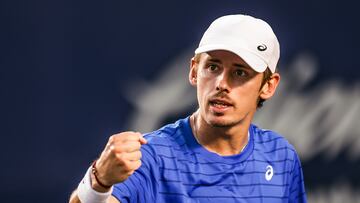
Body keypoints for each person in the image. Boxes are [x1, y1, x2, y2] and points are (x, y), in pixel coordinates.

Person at [69, 14, 307, 203]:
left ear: (268, 86)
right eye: (213, 67)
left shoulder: (281, 156)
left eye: (240, 72)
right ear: (194, 71)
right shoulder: (151, 157)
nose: (222, 84)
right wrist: (99, 182)